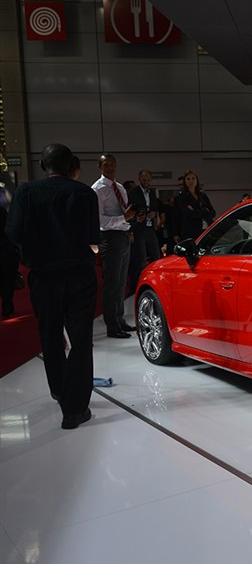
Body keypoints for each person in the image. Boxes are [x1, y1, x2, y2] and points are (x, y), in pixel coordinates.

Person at [5, 143, 100, 429]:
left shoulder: (25, 192)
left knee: (50, 335)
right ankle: (75, 409)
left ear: (43, 165)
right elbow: (92, 238)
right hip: (79, 275)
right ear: (71, 165)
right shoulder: (84, 193)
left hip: (44, 276)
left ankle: (59, 390)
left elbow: (13, 233)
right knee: (80, 340)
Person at [92, 153, 136, 339]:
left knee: (121, 282)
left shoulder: (120, 188)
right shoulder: (97, 189)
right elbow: (99, 220)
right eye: (106, 164)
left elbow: (125, 213)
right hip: (109, 238)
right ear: (99, 167)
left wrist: (131, 221)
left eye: (113, 164)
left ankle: (119, 319)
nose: (110, 167)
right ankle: (112, 325)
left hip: (123, 236)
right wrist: (124, 218)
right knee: (112, 283)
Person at [127, 169, 162, 288]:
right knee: (140, 260)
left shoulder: (152, 192)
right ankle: (138, 285)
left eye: (148, 180)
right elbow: (130, 210)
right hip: (138, 228)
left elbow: (155, 207)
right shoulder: (134, 192)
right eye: (144, 180)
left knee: (156, 256)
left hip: (149, 227)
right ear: (139, 179)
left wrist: (153, 213)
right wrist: (131, 231)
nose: (146, 182)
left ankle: (154, 282)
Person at [175, 169, 215, 241]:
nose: (191, 181)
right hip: (191, 231)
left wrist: (197, 211)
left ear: (197, 180)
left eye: (193, 178)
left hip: (207, 229)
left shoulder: (203, 195)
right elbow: (189, 214)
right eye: (188, 179)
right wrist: (205, 211)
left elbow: (213, 212)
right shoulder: (182, 197)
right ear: (185, 181)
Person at [0, 207, 20, 318]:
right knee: (7, 281)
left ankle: (7, 306)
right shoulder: (2, 211)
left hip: (5, 250)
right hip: (6, 251)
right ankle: (7, 306)